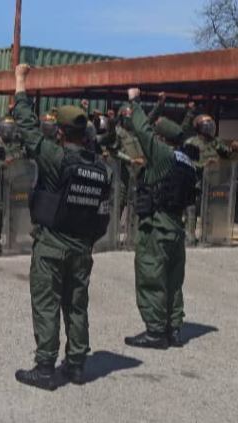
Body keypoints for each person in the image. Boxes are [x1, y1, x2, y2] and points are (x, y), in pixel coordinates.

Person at [12, 64, 112, 390]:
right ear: (85, 135)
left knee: (46, 303)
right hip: (83, 248)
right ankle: (77, 364)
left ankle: (45, 368)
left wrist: (20, 84)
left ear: (60, 132)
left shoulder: (56, 157)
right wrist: (86, 241)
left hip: (52, 245)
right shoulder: (100, 168)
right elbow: (104, 215)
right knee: (76, 306)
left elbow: (27, 129)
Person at [124, 88, 238, 349]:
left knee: (152, 278)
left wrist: (135, 101)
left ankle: (155, 332)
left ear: (162, 137)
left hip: (157, 228)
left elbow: (142, 129)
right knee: (174, 282)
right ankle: (174, 329)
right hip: (176, 227)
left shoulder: (162, 156)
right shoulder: (186, 160)